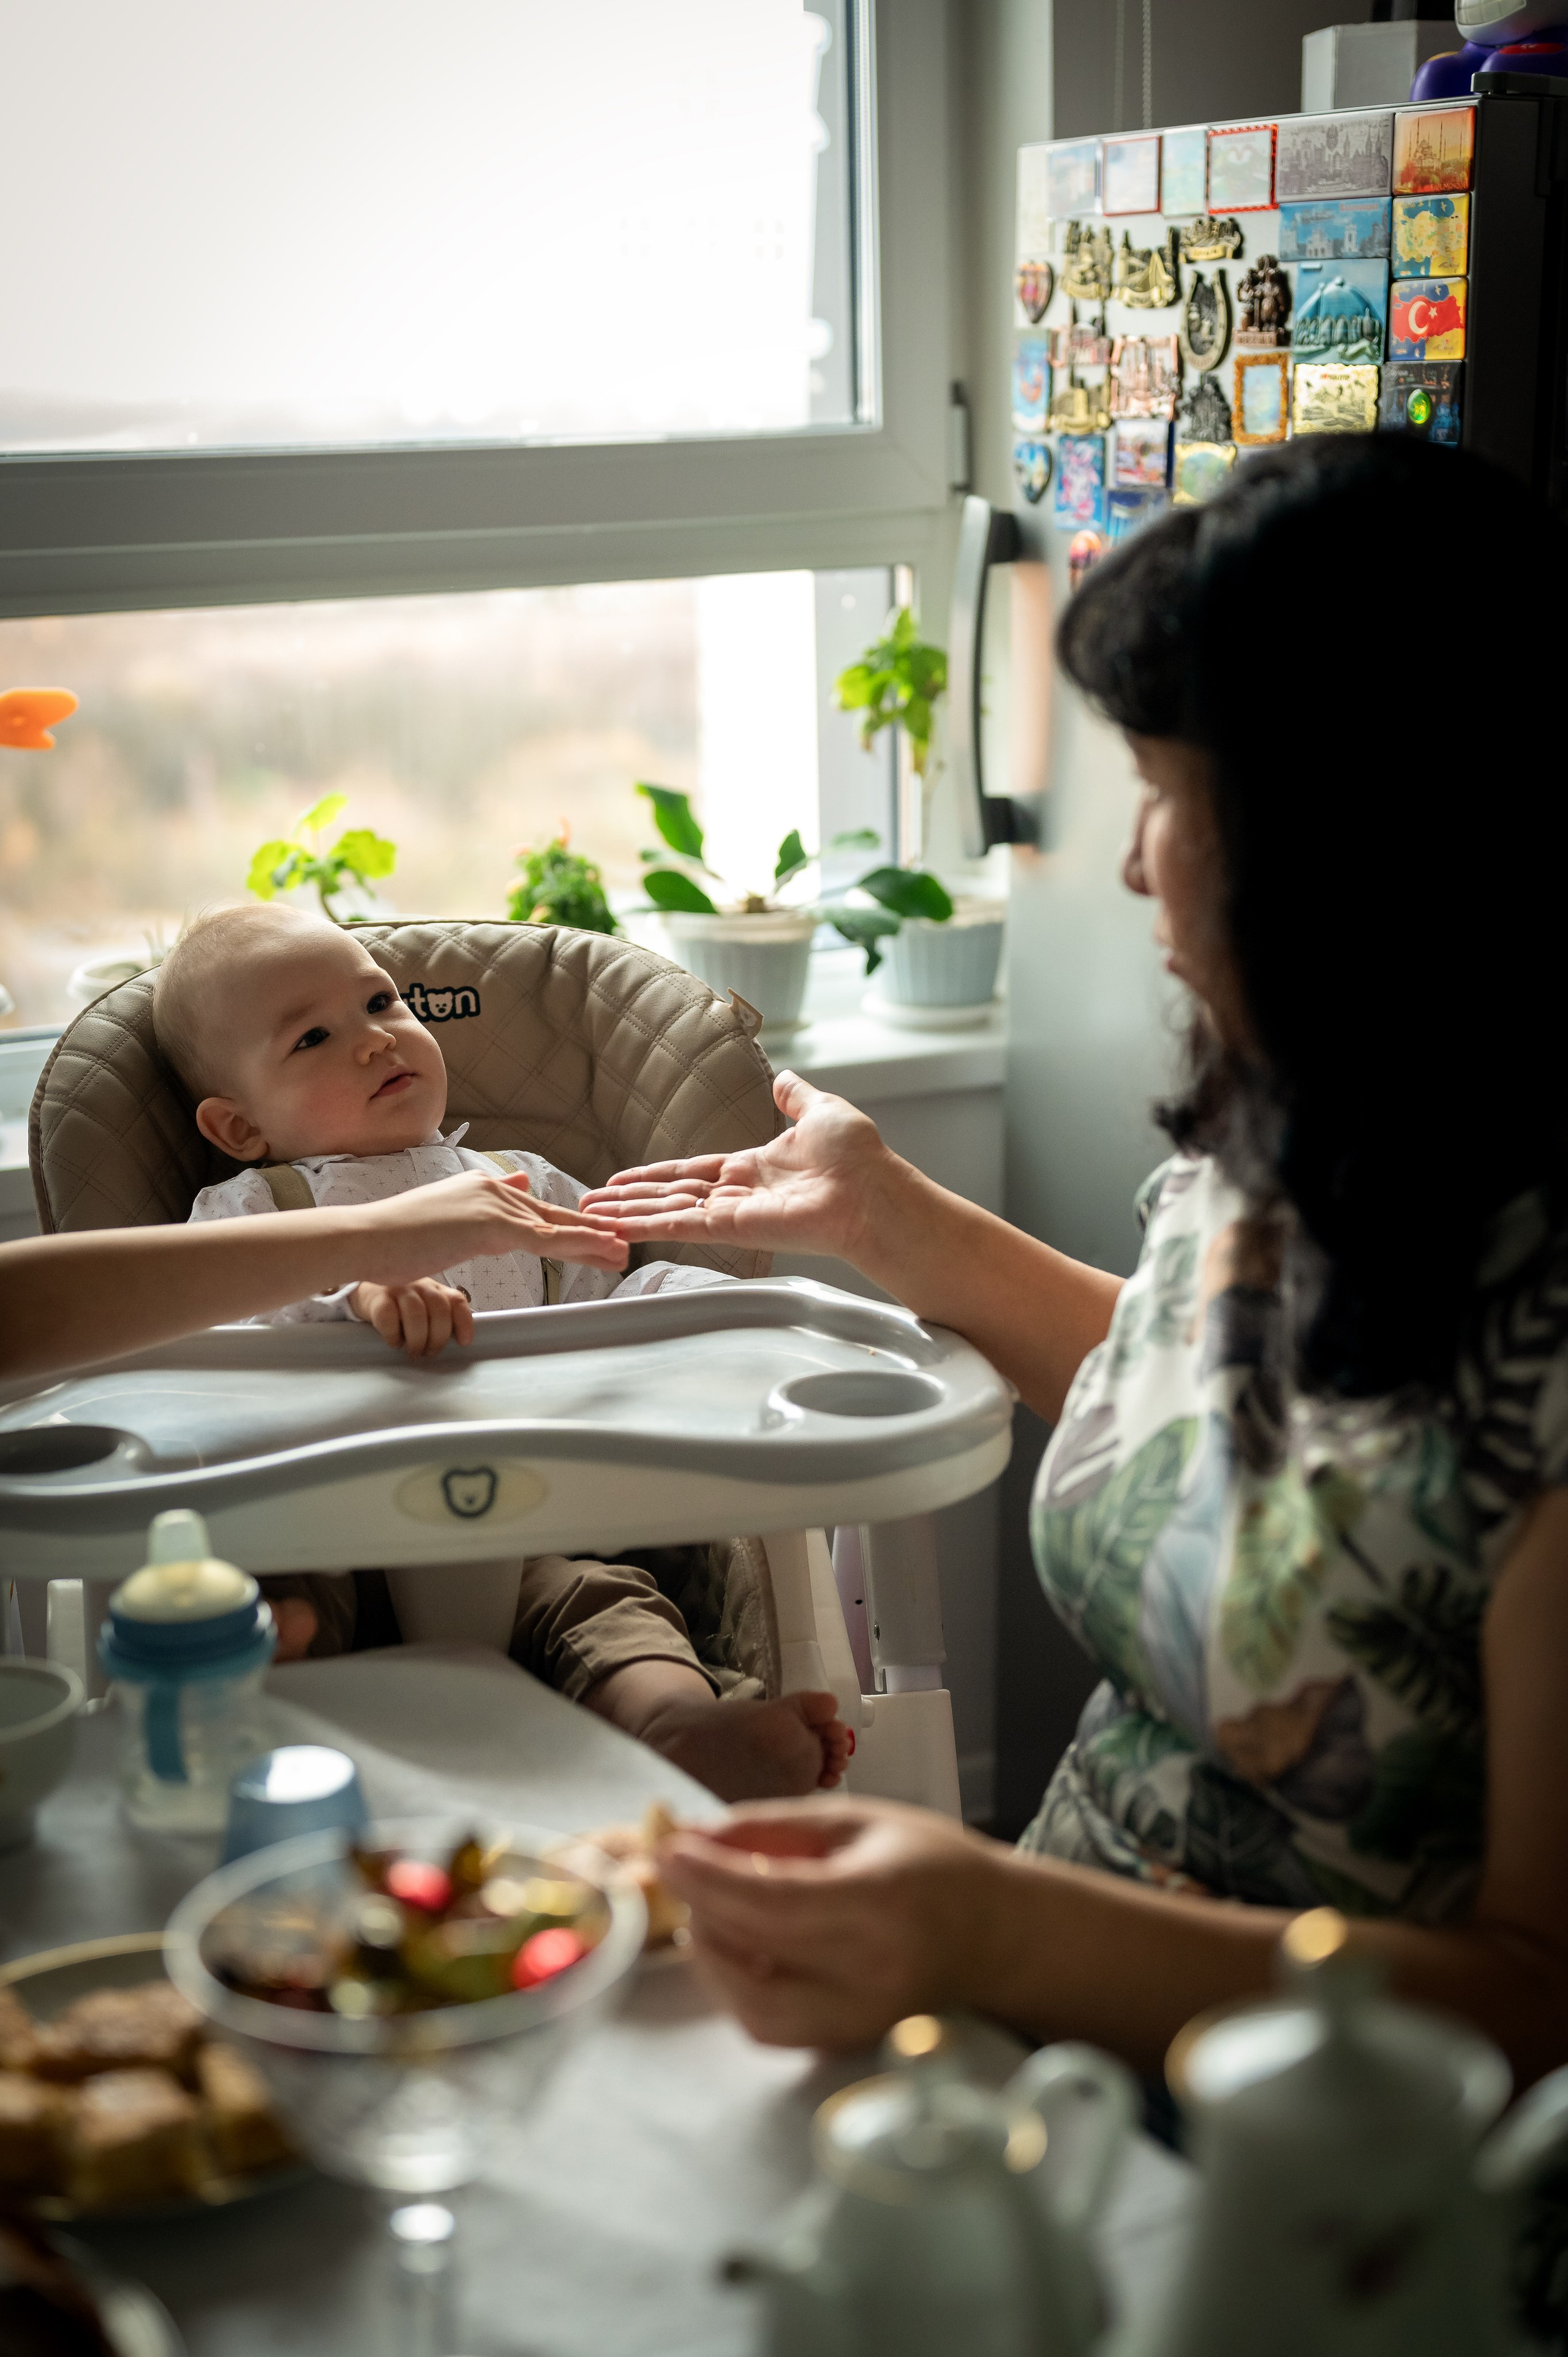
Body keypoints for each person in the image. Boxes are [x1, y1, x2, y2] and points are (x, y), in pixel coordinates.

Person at [585, 434, 1568, 2092]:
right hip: (1040, 2065)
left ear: (1363, 850)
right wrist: (882, 1216)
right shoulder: (1294, 1140)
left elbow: (1541, 2006)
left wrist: (998, 1927)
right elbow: (1236, 1431)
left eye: (1175, 802)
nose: (1132, 863)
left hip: (1342, 2197)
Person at [141, 900, 850, 1801]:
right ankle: (268, 1717)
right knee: (269, 1605)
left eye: (381, 1004)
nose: (372, 1040)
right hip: (325, 1529)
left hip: (526, 1525)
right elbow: (202, 1335)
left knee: (611, 1605)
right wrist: (355, 1292)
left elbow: (617, 1292)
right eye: (313, 1038)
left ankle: (672, 1724)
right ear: (239, 1128)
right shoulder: (256, 1209)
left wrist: (723, 1314)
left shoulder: (519, 1184)